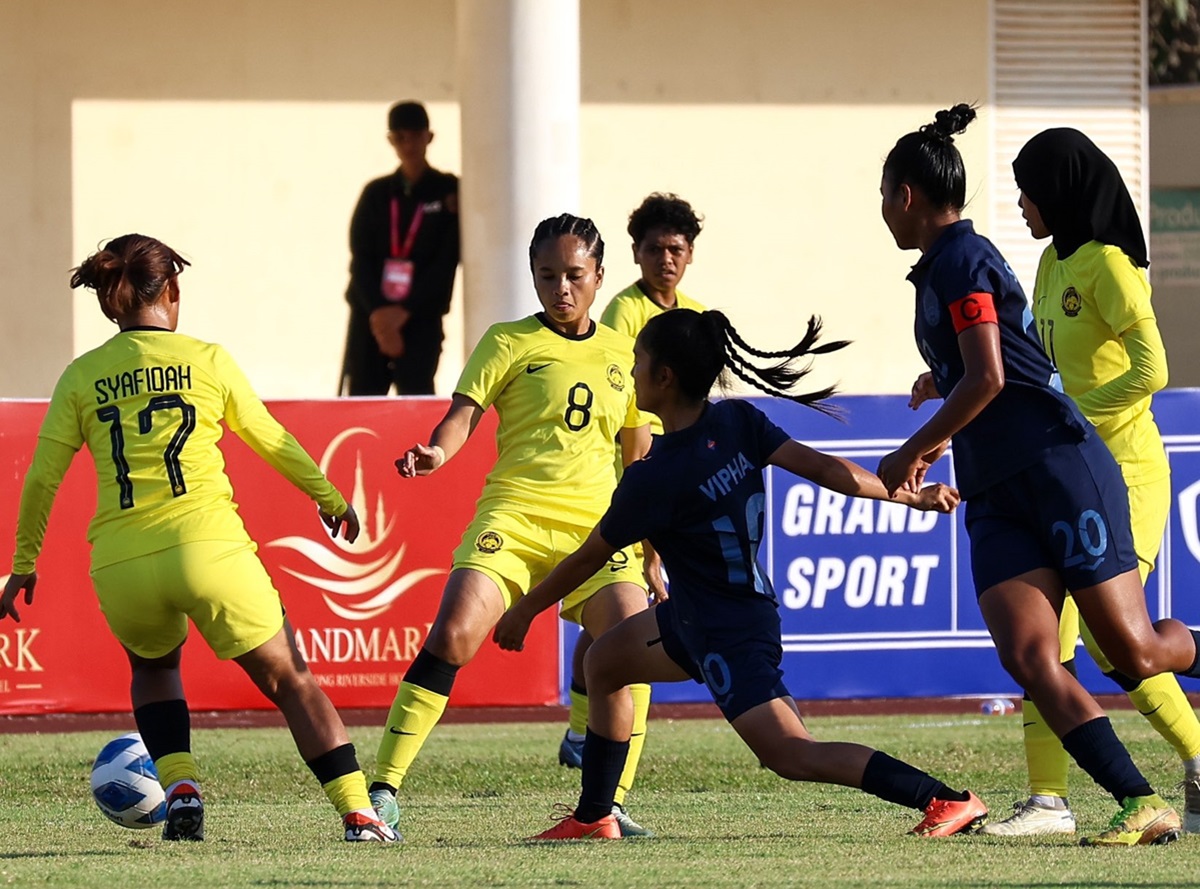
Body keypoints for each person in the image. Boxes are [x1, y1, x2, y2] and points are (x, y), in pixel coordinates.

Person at [494, 307, 988, 840]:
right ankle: (595, 817)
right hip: (703, 614)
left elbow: (587, 558)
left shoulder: (654, 475)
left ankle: (945, 798)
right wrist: (910, 498)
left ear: (664, 377)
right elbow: (826, 470)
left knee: (792, 754)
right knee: (605, 661)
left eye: (638, 361)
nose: (631, 372)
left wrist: (523, 609)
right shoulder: (736, 421)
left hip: (727, 632)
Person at [0, 234, 397, 843]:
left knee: (154, 669)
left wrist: (24, 562)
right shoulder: (207, 360)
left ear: (112, 301)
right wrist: (330, 498)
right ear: (174, 290)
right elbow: (272, 439)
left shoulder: (81, 376)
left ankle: (181, 786)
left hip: (123, 562)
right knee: (291, 680)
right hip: (209, 550)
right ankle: (358, 813)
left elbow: (42, 479)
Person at [877, 105, 1200, 846]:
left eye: (882, 194)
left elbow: (989, 376)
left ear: (906, 197)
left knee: (1134, 651)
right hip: (996, 487)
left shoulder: (962, 256)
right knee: (1029, 654)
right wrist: (939, 380)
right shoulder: (943, 269)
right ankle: (1137, 798)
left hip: (1058, 466)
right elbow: (992, 362)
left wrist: (914, 449)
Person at [368, 214, 655, 839]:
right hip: (515, 517)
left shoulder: (623, 354)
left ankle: (607, 802)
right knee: (454, 635)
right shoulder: (507, 341)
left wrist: (650, 544)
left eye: (574, 276)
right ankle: (382, 791)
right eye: (547, 275)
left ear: (599, 277)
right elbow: (461, 415)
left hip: (599, 532)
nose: (561, 289)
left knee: (634, 646)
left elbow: (638, 455)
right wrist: (438, 453)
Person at [976, 128, 1200, 837]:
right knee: (1050, 641)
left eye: (1028, 189)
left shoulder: (1108, 265)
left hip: (1125, 472)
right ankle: (1048, 800)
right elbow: (1035, 365)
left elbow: (1153, 370)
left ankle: (1197, 754)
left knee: (1113, 645)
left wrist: (1080, 413)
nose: (1020, 203)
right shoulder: (1047, 264)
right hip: (1065, 472)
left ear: (1062, 192)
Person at [556, 193, 707, 772]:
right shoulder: (622, 315)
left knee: (614, 621)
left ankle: (582, 737)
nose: (665, 259)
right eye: (653, 249)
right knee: (619, 616)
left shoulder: (693, 313)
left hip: (677, 477)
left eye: (675, 248)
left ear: (690, 254)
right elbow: (632, 426)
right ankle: (586, 737)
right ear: (636, 254)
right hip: (630, 482)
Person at [340, 100, 460, 396]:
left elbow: (446, 260)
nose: (408, 144)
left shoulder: (448, 190)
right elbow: (361, 259)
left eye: (416, 135)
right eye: (400, 137)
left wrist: (403, 312)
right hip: (371, 317)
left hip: (421, 317)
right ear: (391, 140)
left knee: (416, 397)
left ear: (428, 137)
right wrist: (381, 316)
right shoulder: (376, 193)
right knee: (364, 401)